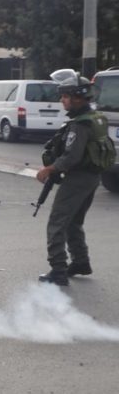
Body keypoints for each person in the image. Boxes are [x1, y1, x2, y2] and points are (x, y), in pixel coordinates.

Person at [35, 73, 114, 286]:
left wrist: (49, 169)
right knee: (74, 222)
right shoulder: (96, 117)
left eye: (65, 96)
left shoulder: (80, 124)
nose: (62, 100)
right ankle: (80, 262)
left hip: (78, 178)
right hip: (92, 177)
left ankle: (58, 270)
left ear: (77, 98)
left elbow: (72, 156)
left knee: (57, 223)